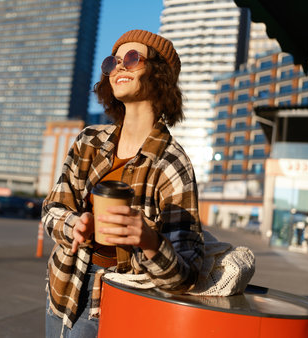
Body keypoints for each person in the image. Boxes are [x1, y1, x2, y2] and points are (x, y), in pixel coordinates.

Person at [43, 29, 204, 337]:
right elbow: (52, 209)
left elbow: (186, 275)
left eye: (132, 58)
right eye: (113, 62)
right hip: (62, 286)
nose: (119, 67)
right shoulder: (88, 141)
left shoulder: (171, 163)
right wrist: (73, 224)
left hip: (118, 299)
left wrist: (149, 241)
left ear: (159, 74)